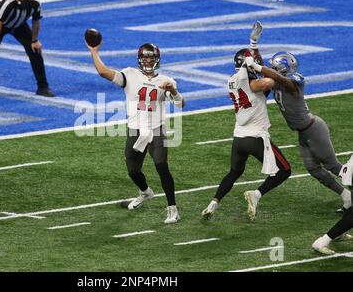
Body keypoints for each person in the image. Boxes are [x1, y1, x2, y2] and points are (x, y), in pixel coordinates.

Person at [252, 22, 352, 212]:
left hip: (313, 129)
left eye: (275, 66)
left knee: (334, 166)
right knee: (313, 169)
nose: (273, 68)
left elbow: (278, 78)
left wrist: (260, 67)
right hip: (302, 132)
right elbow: (264, 69)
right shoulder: (276, 81)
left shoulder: (295, 81)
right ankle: (347, 197)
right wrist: (254, 45)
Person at [201, 23, 292, 221]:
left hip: (239, 138)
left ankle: (213, 202)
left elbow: (257, 82)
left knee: (234, 171)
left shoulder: (233, 81)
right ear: (248, 66)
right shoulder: (252, 83)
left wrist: (254, 44)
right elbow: (266, 82)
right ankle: (256, 194)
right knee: (285, 170)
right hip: (255, 137)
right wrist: (276, 73)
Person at [87, 40, 185, 224]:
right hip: (135, 130)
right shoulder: (129, 74)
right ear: (139, 59)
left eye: (151, 58)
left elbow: (180, 104)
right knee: (133, 171)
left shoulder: (166, 80)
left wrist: (173, 90)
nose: (148, 61)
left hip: (156, 130)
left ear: (157, 59)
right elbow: (103, 72)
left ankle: (172, 209)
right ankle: (145, 192)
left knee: (162, 166)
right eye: (145, 58)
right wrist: (94, 52)